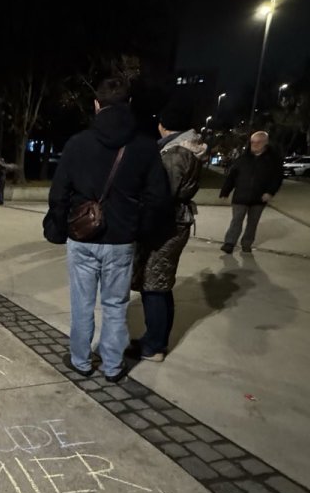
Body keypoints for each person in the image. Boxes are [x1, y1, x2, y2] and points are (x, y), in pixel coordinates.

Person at [43, 77, 171, 382]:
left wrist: (57, 228)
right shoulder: (144, 147)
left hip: (82, 237)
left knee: (82, 304)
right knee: (115, 306)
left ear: (97, 105)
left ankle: (81, 361)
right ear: (128, 105)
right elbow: (158, 197)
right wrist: (141, 230)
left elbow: (59, 192)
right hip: (121, 240)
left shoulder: (78, 144)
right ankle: (113, 367)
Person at [130, 101, 207, 363]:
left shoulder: (174, 154)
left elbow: (162, 196)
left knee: (155, 285)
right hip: (174, 223)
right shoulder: (187, 149)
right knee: (160, 283)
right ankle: (156, 340)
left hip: (166, 225)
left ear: (162, 125)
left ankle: (154, 346)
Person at [218, 131, 282, 254]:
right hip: (240, 196)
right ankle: (229, 243)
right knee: (236, 220)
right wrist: (225, 192)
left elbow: (277, 179)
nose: (255, 144)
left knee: (252, 223)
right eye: (253, 142)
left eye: (258, 142)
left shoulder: (273, 160)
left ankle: (246, 244)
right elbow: (232, 176)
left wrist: (270, 192)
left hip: (259, 198)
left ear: (265, 143)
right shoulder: (243, 159)